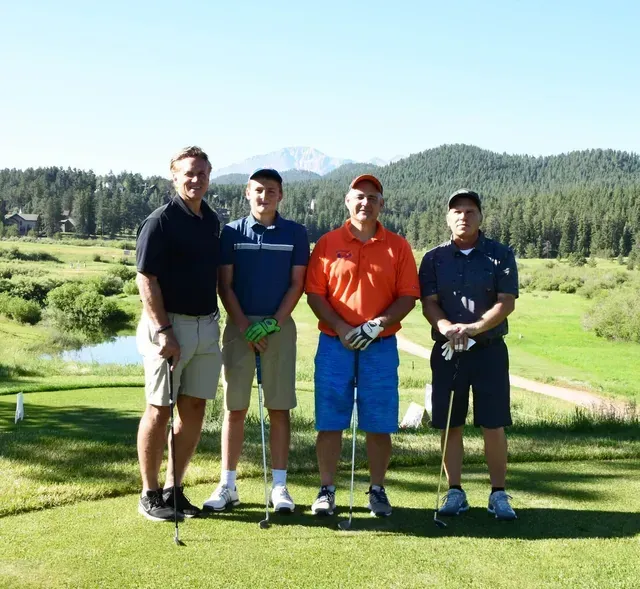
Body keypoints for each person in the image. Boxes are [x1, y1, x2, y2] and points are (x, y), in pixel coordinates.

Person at [305, 174, 420, 517]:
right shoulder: (327, 243)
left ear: (381, 204)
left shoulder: (397, 246)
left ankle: (377, 490)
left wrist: (377, 324)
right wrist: (342, 328)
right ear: (347, 201)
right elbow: (315, 294)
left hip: (380, 345)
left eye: (372, 197)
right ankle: (326, 489)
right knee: (330, 421)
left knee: (379, 422)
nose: (365, 202)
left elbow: (408, 296)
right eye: (359, 196)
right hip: (334, 343)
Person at [203, 168, 309, 513]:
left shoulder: (295, 232)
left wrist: (272, 325)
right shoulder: (232, 232)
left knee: (279, 407)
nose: (265, 196)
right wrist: (246, 325)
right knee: (235, 407)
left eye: (272, 191)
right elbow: (225, 285)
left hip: (279, 327)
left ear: (281, 195)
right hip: (239, 326)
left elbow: (297, 284)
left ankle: (279, 486)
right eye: (259, 190)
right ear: (247, 194)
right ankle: (228, 485)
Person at [419, 189, 519, 520]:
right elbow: (430, 303)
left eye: (470, 210)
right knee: (451, 423)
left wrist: (473, 328)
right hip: (448, 349)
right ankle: (455, 492)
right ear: (448, 218)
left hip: (488, 349)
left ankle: (498, 494)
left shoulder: (500, 255)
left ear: (480, 215)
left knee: (493, 423)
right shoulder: (433, 259)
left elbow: (506, 302)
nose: (463, 216)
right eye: (457, 211)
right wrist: (447, 326)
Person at [135, 146, 222, 521]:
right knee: (160, 409)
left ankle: (174, 489)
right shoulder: (161, 221)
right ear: (174, 175)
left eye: (202, 173)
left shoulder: (211, 221)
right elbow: (146, 278)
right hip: (169, 326)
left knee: (195, 409)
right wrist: (164, 330)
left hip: (206, 326)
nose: (196, 179)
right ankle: (149, 493)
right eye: (188, 173)